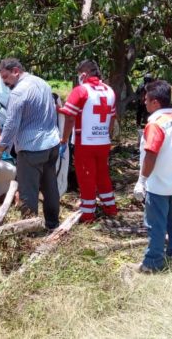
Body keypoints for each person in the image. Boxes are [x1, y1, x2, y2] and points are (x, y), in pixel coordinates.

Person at [0, 58, 61, 230]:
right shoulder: (42, 83)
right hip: (51, 143)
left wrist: (1, 148)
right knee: (50, 186)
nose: (4, 82)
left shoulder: (18, 92)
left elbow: (11, 124)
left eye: (6, 77)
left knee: (28, 191)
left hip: (32, 148)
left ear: (16, 71)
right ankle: (52, 223)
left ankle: (29, 229)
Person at [132, 80, 172, 272]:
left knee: (155, 225)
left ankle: (153, 262)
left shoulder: (156, 125)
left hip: (158, 183)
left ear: (156, 102)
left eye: (146, 99)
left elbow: (151, 154)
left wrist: (142, 181)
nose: (144, 102)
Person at [59, 59, 117, 223]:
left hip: (85, 142)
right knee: (103, 175)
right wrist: (106, 134)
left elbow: (70, 118)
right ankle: (110, 208)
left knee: (86, 178)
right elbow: (112, 118)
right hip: (103, 142)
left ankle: (88, 214)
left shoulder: (81, 90)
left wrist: (63, 139)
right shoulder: (109, 91)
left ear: (83, 74)